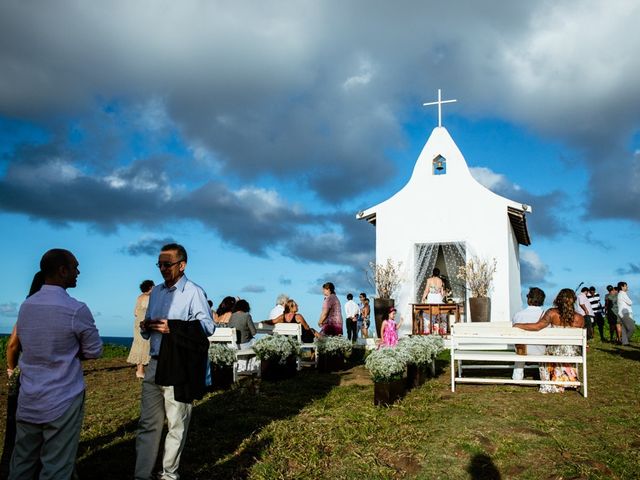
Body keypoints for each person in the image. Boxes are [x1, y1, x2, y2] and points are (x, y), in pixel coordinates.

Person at [9, 249, 102, 479]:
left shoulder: (26, 306)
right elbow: (94, 350)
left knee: (22, 461)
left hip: (29, 395)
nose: (78, 272)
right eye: (75, 267)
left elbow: (20, 344)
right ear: (62, 271)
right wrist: (70, 350)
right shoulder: (76, 309)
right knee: (56, 466)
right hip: (63, 396)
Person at [135, 243, 214, 480]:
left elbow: (208, 327)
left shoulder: (193, 292)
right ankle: (142, 475)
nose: (162, 268)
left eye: (167, 264)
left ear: (182, 265)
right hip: (155, 362)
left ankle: (169, 475)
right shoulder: (156, 292)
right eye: (159, 264)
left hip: (179, 365)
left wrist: (174, 327)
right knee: (148, 424)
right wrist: (146, 326)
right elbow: (150, 325)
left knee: (176, 423)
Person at [1, 271, 45, 478]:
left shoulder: (27, 308)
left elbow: (12, 345)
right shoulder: (62, 308)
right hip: (52, 379)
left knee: (18, 431)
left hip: (26, 374)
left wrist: (11, 369)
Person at [515, 288, 584, 393]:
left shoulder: (552, 313)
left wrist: (518, 325)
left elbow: (537, 326)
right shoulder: (580, 318)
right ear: (574, 301)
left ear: (558, 299)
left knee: (549, 352)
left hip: (555, 352)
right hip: (572, 353)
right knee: (566, 350)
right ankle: (568, 378)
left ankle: (554, 379)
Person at [511, 287, 546, 381]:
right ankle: (544, 376)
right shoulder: (545, 316)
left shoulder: (518, 315)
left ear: (528, 299)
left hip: (522, 350)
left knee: (520, 346)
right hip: (541, 351)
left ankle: (517, 377)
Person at [127, 280, 154, 379]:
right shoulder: (149, 297)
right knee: (144, 345)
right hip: (144, 322)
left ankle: (140, 369)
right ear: (150, 287)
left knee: (138, 344)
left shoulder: (139, 297)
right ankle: (140, 370)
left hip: (137, 322)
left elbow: (135, 312)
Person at [227, 299, 257, 372]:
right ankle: (251, 367)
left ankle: (243, 366)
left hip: (234, 345)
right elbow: (254, 332)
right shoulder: (247, 316)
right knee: (255, 341)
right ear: (246, 307)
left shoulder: (232, 316)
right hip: (244, 344)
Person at [422, 268, 445, 334]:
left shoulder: (429, 280)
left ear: (433, 272)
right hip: (438, 297)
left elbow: (426, 290)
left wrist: (423, 298)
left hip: (431, 297)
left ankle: (428, 331)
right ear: (438, 273)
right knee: (438, 313)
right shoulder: (440, 281)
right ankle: (439, 331)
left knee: (428, 313)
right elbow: (442, 293)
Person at [617, 281, 635, 346]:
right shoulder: (623, 294)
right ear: (622, 287)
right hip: (625, 313)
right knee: (632, 328)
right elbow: (630, 302)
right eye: (625, 286)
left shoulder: (621, 293)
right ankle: (622, 340)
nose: (627, 287)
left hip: (621, 313)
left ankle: (625, 342)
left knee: (624, 329)